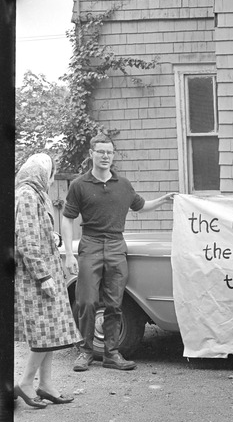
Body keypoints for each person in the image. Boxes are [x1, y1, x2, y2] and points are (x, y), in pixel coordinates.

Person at [61, 133, 177, 372]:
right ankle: (85, 352)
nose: (105, 156)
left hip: (116, 245)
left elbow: (141, 206)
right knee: (86, 301)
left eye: (109, 152)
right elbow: (67, 218)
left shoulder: (123, 185)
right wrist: (70, 255)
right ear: (91, 154)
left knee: (115, 303)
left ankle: (112, 354)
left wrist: (163, 200)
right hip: (90, 244)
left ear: (113, 156)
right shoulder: (79, 185)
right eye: (101, 152)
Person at [14, 153, 81, 408]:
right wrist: (43, 276)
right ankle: (27, 382)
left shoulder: (36, 194)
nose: (52, 179)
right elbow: (27, 243)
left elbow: (36, 232)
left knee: (51, 331)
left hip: (47, 271)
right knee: (44, 332)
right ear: (42, 173)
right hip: (37, 276)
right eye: (51, 173)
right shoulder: (27, 195)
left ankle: (46, 384)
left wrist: (53, 236)